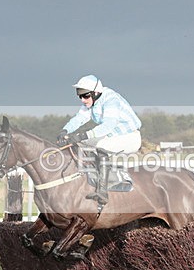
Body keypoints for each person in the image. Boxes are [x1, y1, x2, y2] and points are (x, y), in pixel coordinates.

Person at [56, 74, 142, 205]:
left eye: (85, 96)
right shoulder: (92, 101)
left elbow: (108, 126)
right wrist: (65, 131)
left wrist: (83, 135)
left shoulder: (111, 99)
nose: (83, 100)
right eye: (80, 96)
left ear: (96, 92)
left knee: (100, 145)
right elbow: (79, 119)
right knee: (79, 143)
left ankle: (102, 191)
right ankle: (88, 179)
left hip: (130, 137)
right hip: (113, 137)